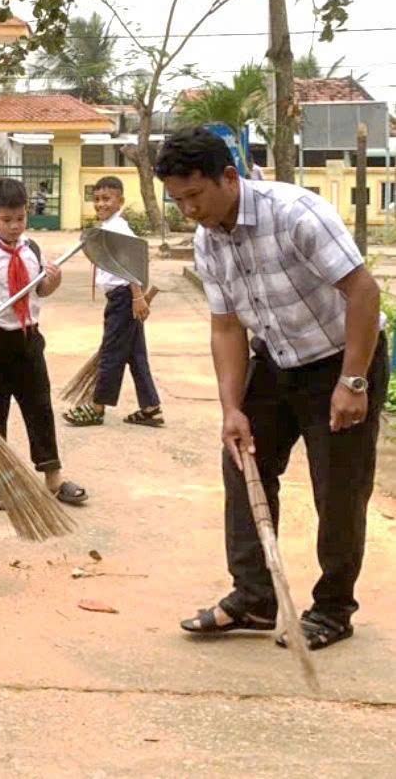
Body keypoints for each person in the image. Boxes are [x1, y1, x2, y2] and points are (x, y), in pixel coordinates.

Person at [154, 126, 389, 651]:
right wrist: (231, 408)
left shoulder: (295, 214)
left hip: (342, 358)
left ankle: (333, 608)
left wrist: (353, 381)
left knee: (339, 488)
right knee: (244, 463)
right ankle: (256, 597)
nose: (188, 210)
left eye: (195, 195)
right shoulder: (207, 239)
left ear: (228, 177)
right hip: (276, 360)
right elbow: (226, 327)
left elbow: (363, 292)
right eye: (178, 200)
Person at [0, 177, 87, 510]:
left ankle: (53, 478)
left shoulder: (31, 249)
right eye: (6, 219)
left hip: (28, 339)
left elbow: (40, 292)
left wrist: (54, 281)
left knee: (39, 407)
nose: (14, 226)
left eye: (20, 218)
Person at [63, 175, 162, 428]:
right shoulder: (109, 227)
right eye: (96, 199)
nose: (100, 204)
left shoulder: (119, 228)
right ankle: (150, 407)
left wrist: (137, 296)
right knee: (135, 354)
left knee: (111, 353)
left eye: (106, 199)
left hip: (123, 298)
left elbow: (132, 264)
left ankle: (97, 407)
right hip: (122, 297)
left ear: (120, 201)